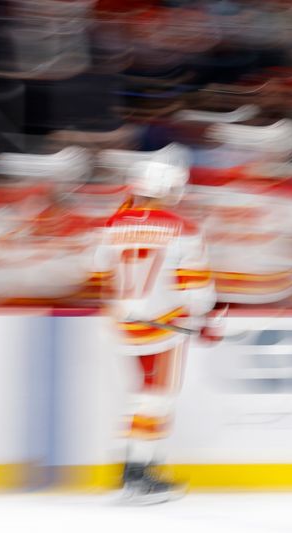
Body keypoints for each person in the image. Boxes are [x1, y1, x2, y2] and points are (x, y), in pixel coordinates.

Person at [95, 158, 222, 504]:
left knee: (142, 396)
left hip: (122, 325)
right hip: (163, 324)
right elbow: (196, 290)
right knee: (156, 397)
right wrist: (203, 318)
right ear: (170, 189)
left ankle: (135, 468)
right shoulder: (182, 227)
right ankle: (138, 475)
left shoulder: (111, 224)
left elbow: (94, 270)